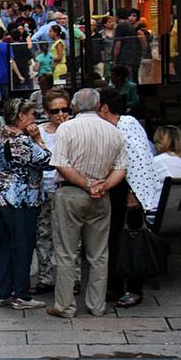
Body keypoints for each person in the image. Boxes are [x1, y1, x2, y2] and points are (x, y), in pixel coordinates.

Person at [45, 88, 127, 319]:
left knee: (66, 252)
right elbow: (121, 168)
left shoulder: (67, 129)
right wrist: (103, 186)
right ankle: (97, 305)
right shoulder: (113, 131)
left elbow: (61, 163)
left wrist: (86, 184)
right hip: (101, 196)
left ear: (73, 106)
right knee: (99, 253)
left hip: (71, 193)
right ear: (98, 104)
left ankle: (65, 305)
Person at [0, 98, 50, 310]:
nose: (34, 118)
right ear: (21, 116)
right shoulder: (22, 141)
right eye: (31, 114)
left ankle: (2, 292)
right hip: (21, 200)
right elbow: (46, 160)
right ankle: (21, 293)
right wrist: (39, 138)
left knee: (5, 246)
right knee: (22, 246)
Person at [99, 88, 159, 309]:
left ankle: (134, 289)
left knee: (131, 240)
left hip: (130, 192)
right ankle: (115, 285)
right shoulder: (122, 125)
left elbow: (137, 161)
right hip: (119, 190)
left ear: (104, 108)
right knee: (114, 238)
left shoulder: (127, 125)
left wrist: (133, 194)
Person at [31, 88, 73, 294]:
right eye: (55, 111)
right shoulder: (38, 131)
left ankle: (73, 279)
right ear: (47, 112)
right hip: (44, 188)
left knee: (71, 237)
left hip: (67, 187)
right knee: (43, 234)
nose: (61, 115)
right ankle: (46, 278)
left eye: (64, 109)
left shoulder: (75, 130)